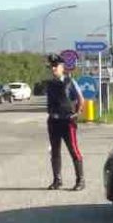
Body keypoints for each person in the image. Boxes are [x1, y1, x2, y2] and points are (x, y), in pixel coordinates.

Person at [44, 54, 85, 191]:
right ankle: (57, 180)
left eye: (56, 66)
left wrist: (77, 114)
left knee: (73, 150)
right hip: (53, 121)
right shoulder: (50, 84)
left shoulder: (70, 82)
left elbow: (81, 99)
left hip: (67, 121)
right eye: (52, 66)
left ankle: (80, 181)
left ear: (62, 67)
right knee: (55, 152)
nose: (53, 68)